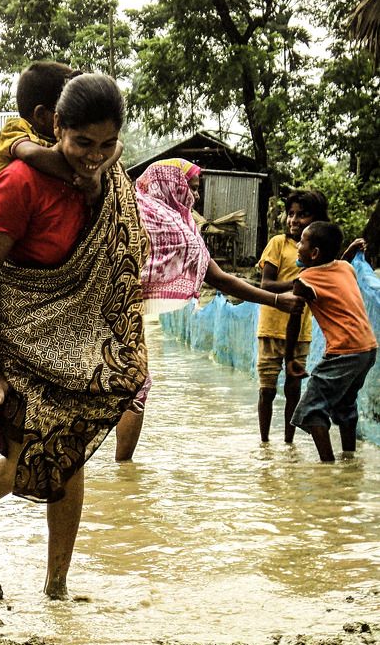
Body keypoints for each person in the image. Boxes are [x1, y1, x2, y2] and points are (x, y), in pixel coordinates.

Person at [0, 74, 148, 598]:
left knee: (69, 454)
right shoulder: (20, 182)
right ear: (56, 129)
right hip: (19, 337)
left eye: (108, 144)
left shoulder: (110, 182)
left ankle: (57, 589)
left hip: (80, 344)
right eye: (82, 144)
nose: (95, 157)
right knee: (32, 453)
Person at [114, 159, 306, 461]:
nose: (196, 197)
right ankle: (122, 468)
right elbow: (219, 278)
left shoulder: (127, 210)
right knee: (134, 389)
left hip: (105, 313)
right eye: (191, 189)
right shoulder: (173, 226)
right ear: (172, 186)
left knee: (110, 390)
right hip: (119, 319)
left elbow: (219, 278)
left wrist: (276, 301)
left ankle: (113, 475)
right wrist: (276, 300)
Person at [0, 60, 122, 330]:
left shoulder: (84, 146)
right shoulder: (17, 132)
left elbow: (118, 146)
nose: (95, 152)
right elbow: (34, 156)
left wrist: (97, 171)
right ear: (50, 118)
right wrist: (83, 176)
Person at [285, 226, 377, 462]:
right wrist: (347, 252)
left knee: (311, 409)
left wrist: (290, 358)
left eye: (302, 242)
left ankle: (327, 467)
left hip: (344, 351)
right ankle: (349, 461)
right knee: (346, 405)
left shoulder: (304, 279)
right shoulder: (346, 267)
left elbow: (294, 318)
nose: (298, 245)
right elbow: (336, 266)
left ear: (314, 253)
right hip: (367, 348)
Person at [256, 189, 330, 444]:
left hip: (300, 332)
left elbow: (335, 272)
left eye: (302, 215)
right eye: (291, 214)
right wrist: (296, 284)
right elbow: (266, 284)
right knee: (266, 390)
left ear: (316, 219)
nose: (294, 220)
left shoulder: (315, 253)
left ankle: (288, 443)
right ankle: (264, 442)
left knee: (293, 389)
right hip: (270, 329)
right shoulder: (278, 243)